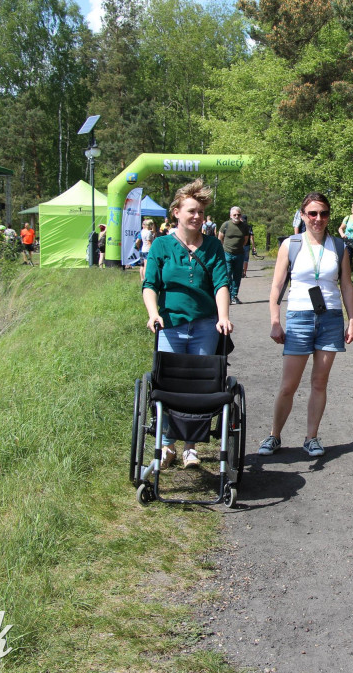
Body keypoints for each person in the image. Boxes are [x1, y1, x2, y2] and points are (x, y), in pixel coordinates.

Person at [257, 192, 353, 459]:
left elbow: (346, 285)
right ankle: (274, 435)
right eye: (312, 213)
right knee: (288, 385)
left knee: (319, 382)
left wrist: (352, 320)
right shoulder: (290, 244)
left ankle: (311, 437)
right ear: (302, 216)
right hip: (299, 317)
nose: (318, 219)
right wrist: (275, 320)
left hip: (330, 319)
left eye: (323, 213)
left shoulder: (339, 246)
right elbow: (277, 286)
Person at [142, 180, 233, 469]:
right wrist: (153, 312)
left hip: (205, 327)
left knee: (200, 386)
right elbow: (150, 284)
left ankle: (190, 447)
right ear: (176, 213)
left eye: (201, 212)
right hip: (170, 327)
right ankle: (167, 444)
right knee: (169, 384)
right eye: (192, 211)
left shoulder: (213, 247)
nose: (197, 217)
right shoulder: (161, 245)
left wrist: (223, 317)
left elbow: (221, 283)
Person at [217, 206, 251, 304]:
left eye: (238, 214)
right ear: (231, 215)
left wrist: (239, 247)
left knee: (237, 276)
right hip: (227, 253)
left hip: (239, 254)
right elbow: (220, 238)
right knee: (227, 275)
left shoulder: (244, 226)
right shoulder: (226, 225)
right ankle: (227, 296)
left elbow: (245, 239)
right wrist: (223, 249)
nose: (236, 216)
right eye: (234, 214)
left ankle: (234, 295)